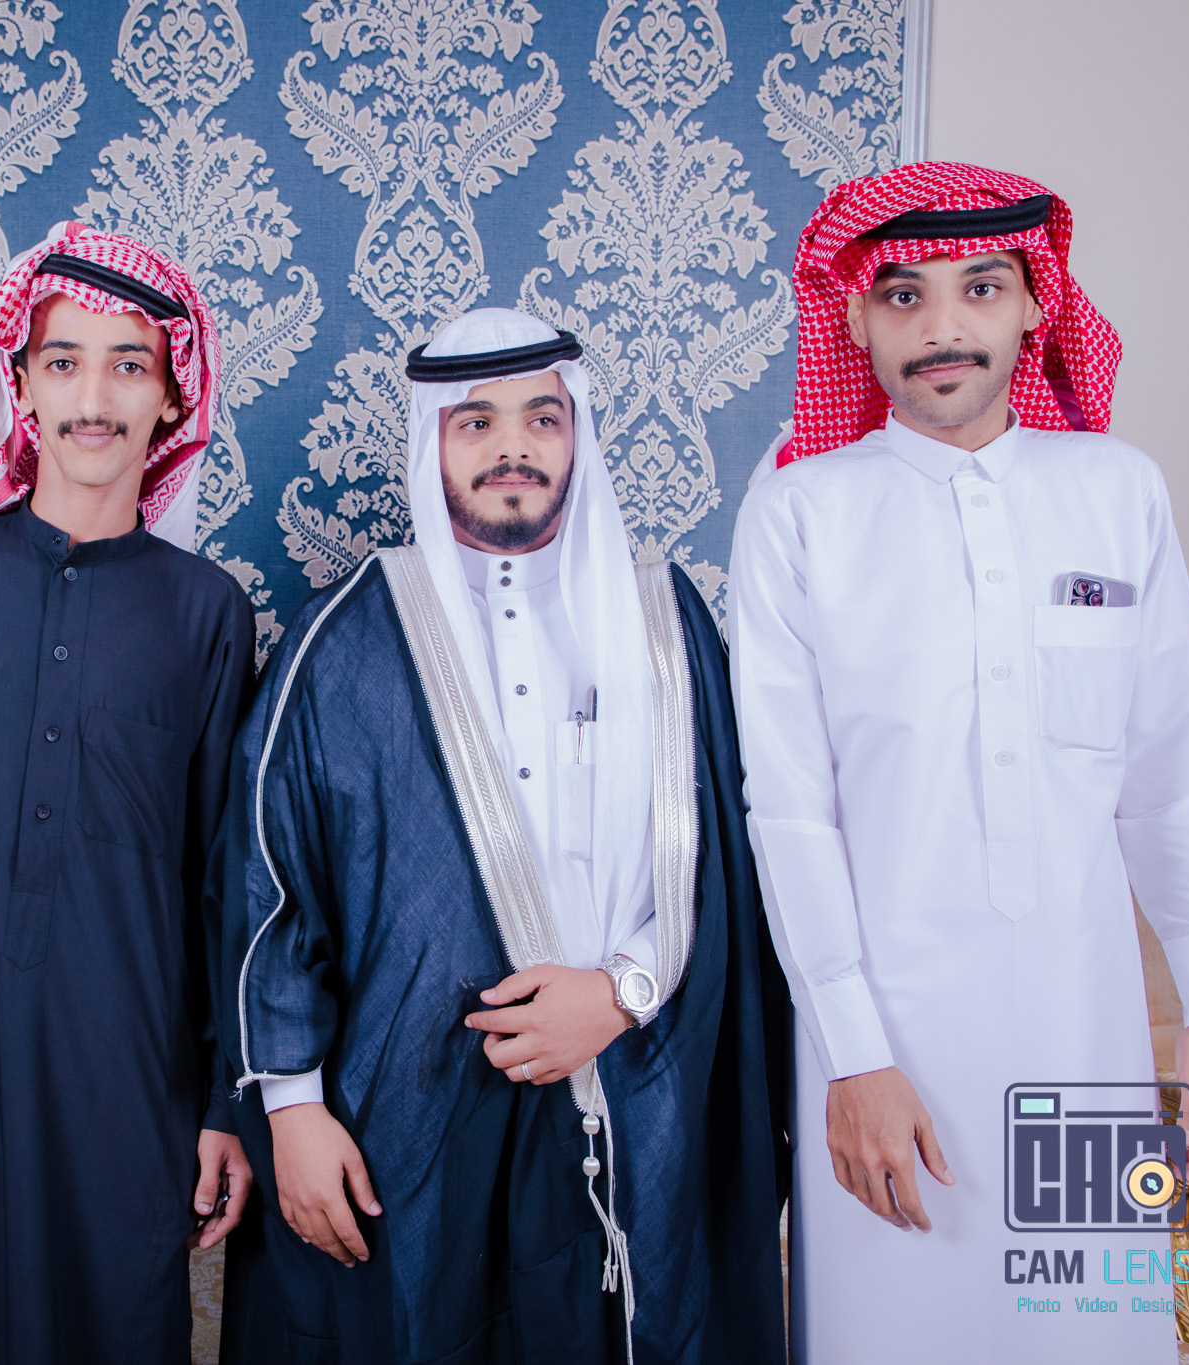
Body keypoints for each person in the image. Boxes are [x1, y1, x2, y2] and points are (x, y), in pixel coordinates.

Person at [730, 161, 1189, 1363]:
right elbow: (791, 813)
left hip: (1086, 1042)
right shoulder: (800, 512)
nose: (940, 327)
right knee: (893, 1332)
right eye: (901, 296)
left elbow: (1165, 781)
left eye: (978, 287)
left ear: (1033, 304)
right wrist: (852, 1057)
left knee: (1087, 1333)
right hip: (887, 1050)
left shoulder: (1116, 493)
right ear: (854, 322)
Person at [212, 308, 789, 1363]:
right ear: (430, 440)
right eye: (474, 422)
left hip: (638, 1087)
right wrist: (290, 1112)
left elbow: (730, 872)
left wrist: (618, 993)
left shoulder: (663, 621)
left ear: (578, 435)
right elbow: (269, 885)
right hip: (412, 1120)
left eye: (541, 418)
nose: (511, 446)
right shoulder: (345, 636)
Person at [0, 222, 255, 1365]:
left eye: (128, 366)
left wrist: (223, 1102)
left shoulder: (206, 613)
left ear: (171, 398)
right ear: (19, 385)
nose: (93, 398)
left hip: (124, 1079)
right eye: (63, 362)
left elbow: (226, 883)